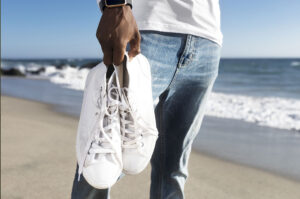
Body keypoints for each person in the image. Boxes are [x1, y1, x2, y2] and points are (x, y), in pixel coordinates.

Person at [71, 0, 222, 198]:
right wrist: (115, 4)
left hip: (208, 40)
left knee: (174, 170)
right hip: (148, 29)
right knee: (99, 162)